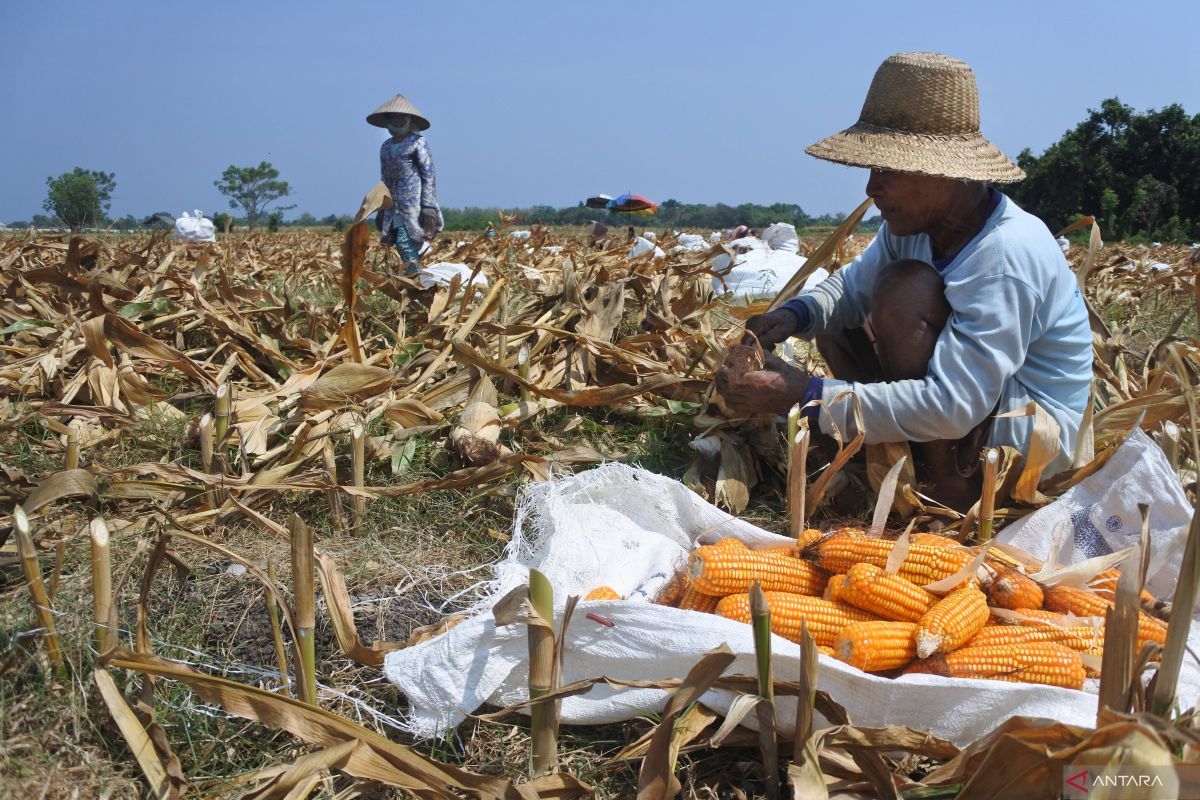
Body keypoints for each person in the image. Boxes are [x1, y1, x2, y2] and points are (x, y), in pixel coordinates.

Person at [715, 52, 1092, 511]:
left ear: (945, 173)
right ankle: (902, 453)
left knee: (904, 291)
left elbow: (956, 405)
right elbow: (851, 290)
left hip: (1027, 442)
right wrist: (793, 317)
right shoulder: (912, 229)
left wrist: (809, 397)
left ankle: (949, 489)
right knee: (846, 315)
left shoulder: (1004, 255)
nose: (872, 188)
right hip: (971, 408)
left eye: (887, 170)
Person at [367, 94, 443, 275]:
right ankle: (414, 278)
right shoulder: (385, 147)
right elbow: (384, 179)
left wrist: (429, 207)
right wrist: (380, 208)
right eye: (393, 117)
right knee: (402, 242)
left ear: (409, 120)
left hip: (414, 204)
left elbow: (428, 174)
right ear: (387, 121)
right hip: (393, 204)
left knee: (406, 242)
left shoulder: (418, 142)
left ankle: (414, 280)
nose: (397, 120)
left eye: (402, 117)